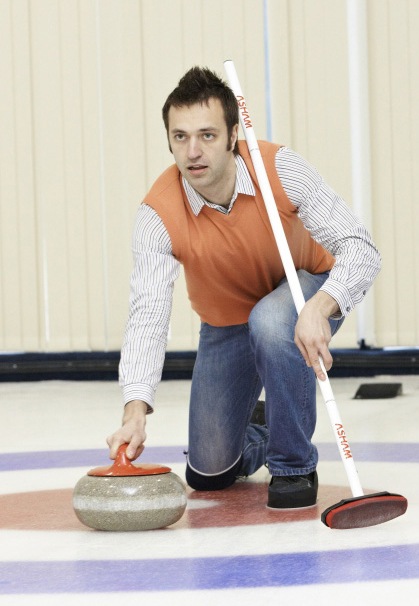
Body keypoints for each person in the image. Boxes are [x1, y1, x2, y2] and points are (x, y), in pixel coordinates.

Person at [107, 67, 381, 509]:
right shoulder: (157, 215)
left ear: (234, 135)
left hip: (306, 290)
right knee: (208, 474)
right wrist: (134, 411)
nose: (193, 152)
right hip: (227, 321)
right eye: (180, 137)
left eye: (208, 135)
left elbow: (360, 247)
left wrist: (319, 307)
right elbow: (148, 316)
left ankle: (292, 465)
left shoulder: (280, 167)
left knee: (271, 320)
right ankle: (264, 425)